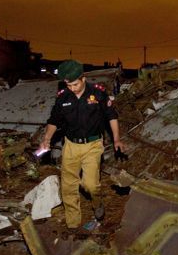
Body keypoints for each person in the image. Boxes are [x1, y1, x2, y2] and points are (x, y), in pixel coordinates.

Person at [39, 60, 125, 232]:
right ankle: (73, 224)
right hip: (70, 145)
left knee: (91, 185)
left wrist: (116, 139)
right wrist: (47, 138)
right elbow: (54, 121)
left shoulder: (98, 94)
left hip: (92, 145)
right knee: (68, 186)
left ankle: (97, 202)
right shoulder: (63, 97)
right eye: (68, 85)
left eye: (75, 84)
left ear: (83, 78)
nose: (72, 88)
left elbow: (111, 116)